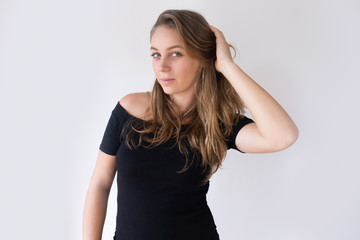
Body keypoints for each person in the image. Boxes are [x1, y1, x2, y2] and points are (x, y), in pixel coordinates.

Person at [82, 9, 298, 240]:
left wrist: (227, 65)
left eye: (175, 54)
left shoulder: (218, 123)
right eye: (156, 55)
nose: (162, 66)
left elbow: (283, 136)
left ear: (204, 59)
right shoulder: (129, 108)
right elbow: (100, 184)